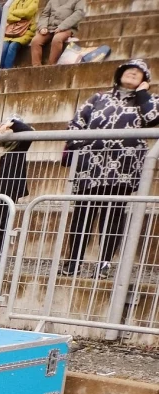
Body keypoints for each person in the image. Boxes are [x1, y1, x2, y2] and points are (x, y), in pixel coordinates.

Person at [60, 59, 157, 278]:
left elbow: (154, 117)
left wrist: (143, 94)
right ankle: (73, 262)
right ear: (119, 74)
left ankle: (103, 264)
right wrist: (89, 145)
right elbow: (75, 126)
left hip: (123, 170)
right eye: (129, 70)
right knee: (82, 216)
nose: (133, 73)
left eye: (139, 72)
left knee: (112, 218)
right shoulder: (98, 98)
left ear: (145, 80)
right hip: (90, 169)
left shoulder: (149, 100)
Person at [0, 117, 35, 265]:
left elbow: (28, 131)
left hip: (9, 190)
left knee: (2, 222)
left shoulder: (19, 145)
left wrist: (13, 122)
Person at [30, 0, 85, 65]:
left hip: (67, 28)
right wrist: (42, 27)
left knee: (57, 39)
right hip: (49, 28)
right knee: (35, 41)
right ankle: (36, 67)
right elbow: (45, 14)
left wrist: (62, 27)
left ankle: (51, 66)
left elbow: (78, 14)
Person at [0, 0, 39, 68]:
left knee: (12, 46)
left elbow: (28, 13)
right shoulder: (15, 1)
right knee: (4, 46)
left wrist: (14, 13)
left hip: (26, 31)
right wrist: (21, 19)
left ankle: (6, 70)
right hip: (12, 31)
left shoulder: (34, 1)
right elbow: (8, 15)